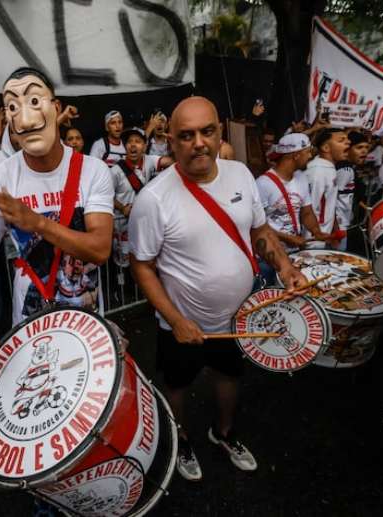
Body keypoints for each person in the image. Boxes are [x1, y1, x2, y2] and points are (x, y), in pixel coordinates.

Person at [129, 96, 306, 481]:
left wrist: (285, 265)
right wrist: (174, 320)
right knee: (177, 384)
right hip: (182, 325)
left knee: (230, 377)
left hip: (236, 318)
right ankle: (181, 437)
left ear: (219, 132)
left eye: (207, 132)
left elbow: (259, 228)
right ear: (170, 141)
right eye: (186, 135)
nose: (199, 143)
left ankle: (224, 433)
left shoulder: (241, 175)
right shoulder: (153, 200)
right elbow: (141, 265)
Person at [0, 66, 114, 361]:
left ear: (55, 107)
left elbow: (99, 249)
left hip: (87, 324)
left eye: (34, 101)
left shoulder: (92, 170)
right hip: (31, 324)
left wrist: (35, 222)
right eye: (12, 106)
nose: (26, 117)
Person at [256, 133, 330, 280]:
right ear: (296, 155)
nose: (310, 156)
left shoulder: (301, 178)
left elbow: (307, 213)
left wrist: (316, 231)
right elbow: (257, 227)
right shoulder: (262, 184)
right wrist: (288, 238)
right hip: (270, 257)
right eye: (307, 151)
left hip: (295, 254)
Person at [110, 127, 171, 267]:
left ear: (144, 146)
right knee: (124, 266)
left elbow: (171, 162)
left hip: (144, 226)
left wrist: (173, 143)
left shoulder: (149, 161)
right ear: (125, 146)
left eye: (137, 141)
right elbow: (105, 196)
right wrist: (122, 207)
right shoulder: (115, 171)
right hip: (123, 229)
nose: (132, 145)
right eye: (129, 142)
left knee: (145, 263)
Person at [303, 128, 349, 240]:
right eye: (341, 140)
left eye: (347, 140)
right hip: (313, 240)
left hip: (323, 237)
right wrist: (311, 240)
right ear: (326, 148)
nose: (348, 142)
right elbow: (308, 211)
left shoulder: (328, 168)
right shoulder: (317, 172)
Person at [334, 130, 369, 250]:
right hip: (337, 226)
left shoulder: (349, 169)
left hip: (343, 224)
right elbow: (331, 199)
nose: (364, 151)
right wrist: (336, 228)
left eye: (366, 147)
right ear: (347, 149)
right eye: (359, 147)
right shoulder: (345, 170)